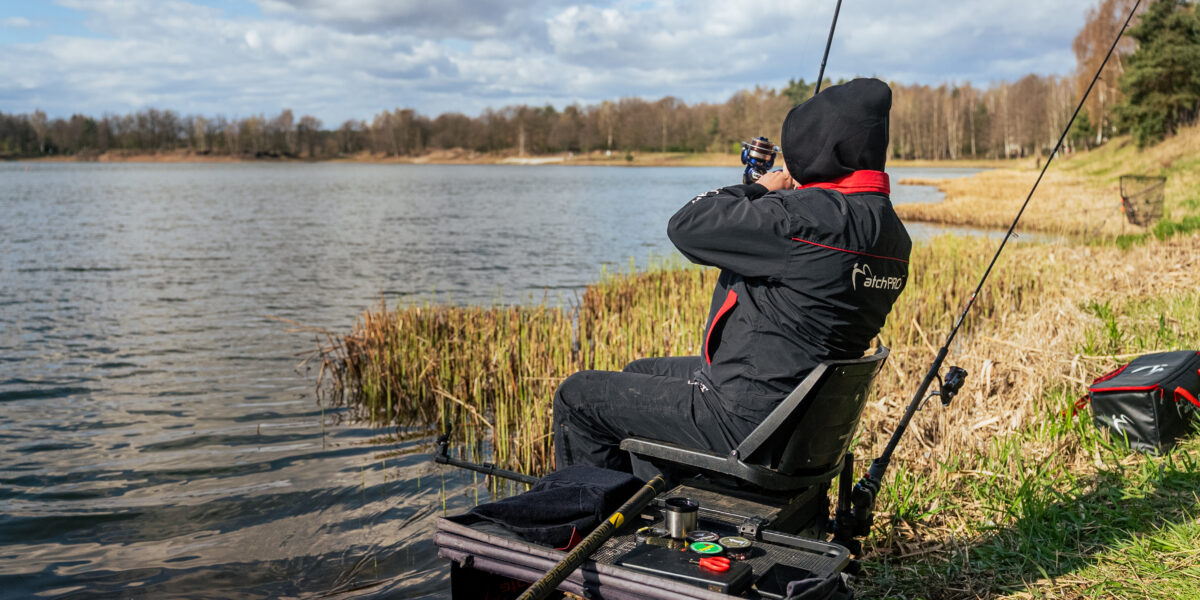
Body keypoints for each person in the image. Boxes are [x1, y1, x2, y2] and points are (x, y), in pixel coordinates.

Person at [552, 78, 911, 480]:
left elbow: (686, 225)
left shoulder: (802, 219)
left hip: (742, 421)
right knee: (640, 370)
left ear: (823, 148)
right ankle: (652, 499)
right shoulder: (893, 234)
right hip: (794, 418)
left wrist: (760, 189)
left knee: (577, 397)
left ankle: (591, 513)